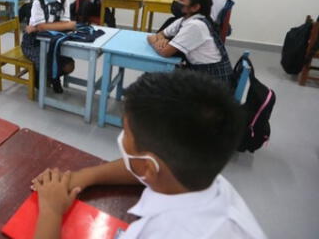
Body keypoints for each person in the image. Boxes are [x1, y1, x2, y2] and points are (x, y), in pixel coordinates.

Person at [31, 70, 266, 239]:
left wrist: (51, 211)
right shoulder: (205, 178)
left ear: (148, 167)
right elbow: (142, 169)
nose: (123, 138)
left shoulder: (160, 233)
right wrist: (84, 177)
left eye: (126, 132)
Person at [147, 0, 233, 84]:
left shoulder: (195, 25)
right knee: (152, 77)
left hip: (212, 81)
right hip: (199, 72)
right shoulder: (184, 19)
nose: (177, 2)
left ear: (195, 7)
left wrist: (155, 41)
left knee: (153, 81)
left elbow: (165, 52)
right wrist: (161, 40)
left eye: (181, 0)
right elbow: (158, 34)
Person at [21, 0, 76, 93]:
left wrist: (42, 27)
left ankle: (52, 77)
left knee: (69, 65)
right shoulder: (37, 3)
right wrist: (65, 25)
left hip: (54, 41)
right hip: (33, 42)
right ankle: (47, 78)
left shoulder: (64, 0)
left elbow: (63, 24)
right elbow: (43, 27)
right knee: (46, 62)